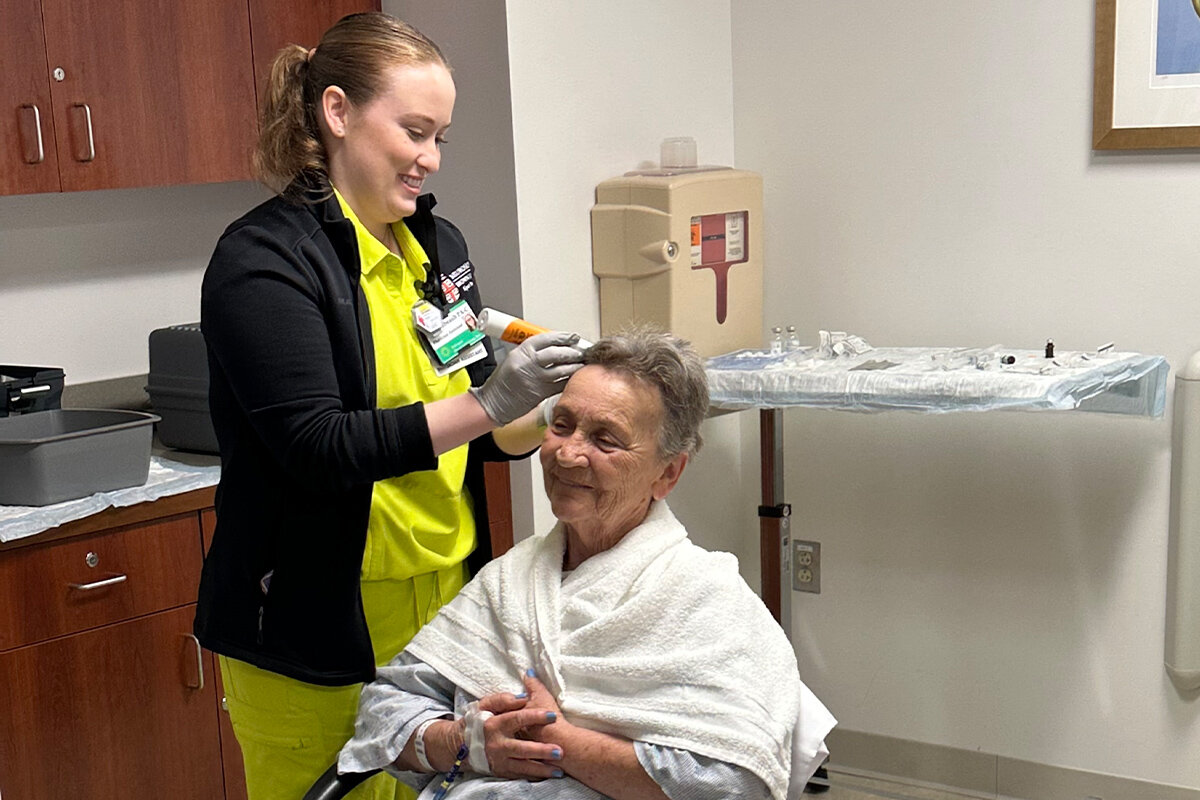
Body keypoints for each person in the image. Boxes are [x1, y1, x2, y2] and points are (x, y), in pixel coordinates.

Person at [193, 13, 585, 800]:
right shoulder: (265, 261)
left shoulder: (438, 250)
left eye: (440, 136)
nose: (429, 159)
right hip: (318, 617)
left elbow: (483, 429)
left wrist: (549, 403)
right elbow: (321, 447)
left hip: (446, 597)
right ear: (337, 112)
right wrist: (490, 399)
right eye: (413, 130)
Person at [338, 330, 837, 800]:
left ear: (668, 472)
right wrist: (464, 741)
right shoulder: (510, 584)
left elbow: (735, 783)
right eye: (561, 425)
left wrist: (564, 744)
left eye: (605, 439)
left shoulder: (706, 599)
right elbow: (384, 709)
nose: (568, 453)